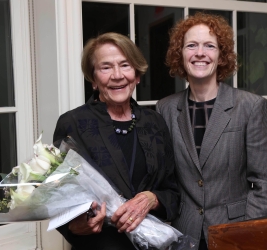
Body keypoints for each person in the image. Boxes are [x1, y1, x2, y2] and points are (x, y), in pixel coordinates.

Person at [156, 12, 267, 250]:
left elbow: (264, 186)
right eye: (191, 45)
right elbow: (165, 178)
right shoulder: (166, 108)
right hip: (184, 234)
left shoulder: (250, 106)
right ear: (180, 54)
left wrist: (244, 234)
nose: (200, 53)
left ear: (221, 55)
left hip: (235, 233)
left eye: (209, 46)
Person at [53, 32, 179, 250]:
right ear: (93, 79)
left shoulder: (155, 122)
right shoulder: (72, 123)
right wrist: (74, 226)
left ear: (137, 75)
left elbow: (173, 192)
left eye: (125, 65)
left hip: (153, 244)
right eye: (106, 67)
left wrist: (152, 198)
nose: (117, 75)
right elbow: (56, 196)